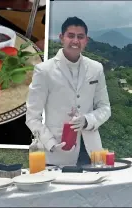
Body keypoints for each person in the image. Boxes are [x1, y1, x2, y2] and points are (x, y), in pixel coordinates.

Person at [25, 17, 111, 166]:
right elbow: (32, 117)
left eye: (80, 36)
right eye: (70, 36)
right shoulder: (44, 70)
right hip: (57, 150)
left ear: (86, 40)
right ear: (61, 38)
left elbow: (105, 108)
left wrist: (87, 120)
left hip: (93, 150)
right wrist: (50, 143)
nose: (75, 41)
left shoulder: (96, 68)